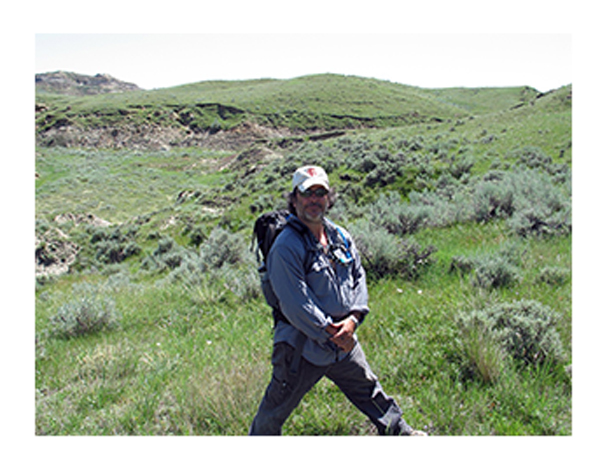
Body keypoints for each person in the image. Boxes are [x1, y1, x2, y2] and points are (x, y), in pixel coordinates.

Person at [249, 165, 427, 436]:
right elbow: (296, 303)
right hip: (301, 347)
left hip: (342, 340)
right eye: (307, 194)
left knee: (369, 390)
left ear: (328, 198)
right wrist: (332, 332)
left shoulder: (339, 236)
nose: (314, 200)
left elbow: (358, 277)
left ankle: (401, 434)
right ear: (294, 199)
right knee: (273, 411)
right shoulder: (286, 246)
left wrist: (353, 320)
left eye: (320, 193)